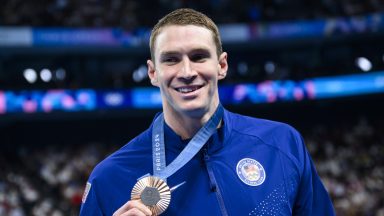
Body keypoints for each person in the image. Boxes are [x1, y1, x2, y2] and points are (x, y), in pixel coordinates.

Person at [80, 8, 335, 216]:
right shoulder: (109, 179)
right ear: (153, 72)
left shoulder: (282, 144)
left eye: (199, 56)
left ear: (221, 65)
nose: (187, 72)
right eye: (171, 59)